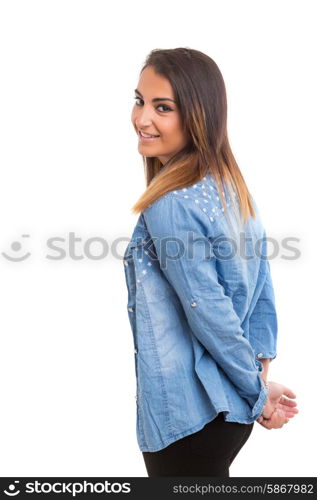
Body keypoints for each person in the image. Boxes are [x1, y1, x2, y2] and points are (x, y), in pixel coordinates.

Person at [123, 47, 298, 477]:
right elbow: (262, 292)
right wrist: (256, 381)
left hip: (188, 419)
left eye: (163, 107)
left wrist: (256, 395)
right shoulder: (228, 185)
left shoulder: (169, 203)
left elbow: (209, 313)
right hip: (225, 415)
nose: (142, 119)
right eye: (140, 100)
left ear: (199, 115)